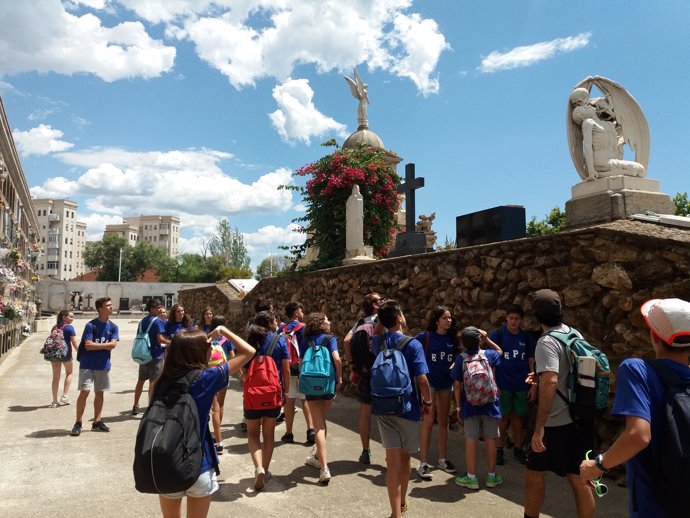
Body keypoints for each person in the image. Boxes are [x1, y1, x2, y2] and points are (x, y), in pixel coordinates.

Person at [580, 298, 690, 517]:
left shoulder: (637, 370)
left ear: (654, 337)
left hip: (656, 506)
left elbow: (638, 435)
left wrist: (597, 466)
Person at [158, 327, 255, 518]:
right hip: (198, 462)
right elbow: (248, 352)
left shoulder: (161, 381)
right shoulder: (206, 379)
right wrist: (224, 331)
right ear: (199, 352)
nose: (211, 348)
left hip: (167, 461)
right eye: (208, 346)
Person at [524, 289, 596, 518]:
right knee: (580, 479)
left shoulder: (546, 342)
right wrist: (542, 376)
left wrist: (539, 427)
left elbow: (552, 381)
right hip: (582, 418)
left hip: (557, 423)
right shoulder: (574, 334)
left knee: (534, 475)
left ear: (537, 315)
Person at [371, 300, 431, 518]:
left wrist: (381, 316)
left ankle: (395, 512)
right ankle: (403, 503)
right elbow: (422, 379)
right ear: (399, 318)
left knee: (392, 462)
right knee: (406, 460)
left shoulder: (379, 342)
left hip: (382, 406)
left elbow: (376, 331)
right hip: (408, 408)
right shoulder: (412, 344)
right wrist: (428, 402)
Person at [452, 326, 503, 490]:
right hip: (490, 403)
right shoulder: (488, 355)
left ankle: (471, 477)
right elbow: (500, 351)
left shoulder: (461, 359)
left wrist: (458, 408)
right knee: (490, 439)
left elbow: (457, 385)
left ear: (463, 344)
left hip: (469, 405)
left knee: (471, 439)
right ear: (478, 340)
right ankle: (492, 476)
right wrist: (487, 339)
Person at [244, 311, 290, 490]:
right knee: (269, 434)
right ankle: (266, 468)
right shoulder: (279, 340)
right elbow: (286, 370)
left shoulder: (250, 340)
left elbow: (243, 369)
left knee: (252, 434)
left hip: (253, 395)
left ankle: (258, 468)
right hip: (273, 394)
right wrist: (285, 392)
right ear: (271, 323)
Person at [415, 306, 460, 479]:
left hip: (446, 384)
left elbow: (458, 356)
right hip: (430, 384)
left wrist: (455, 363)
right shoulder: (425, 337)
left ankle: (442, 459)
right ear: (436, 320)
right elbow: (411, 350)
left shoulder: (453, 338)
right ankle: (423, 463)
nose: (448, 321)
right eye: (444, 318)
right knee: (428, 420)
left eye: (449, 318)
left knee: (444, 421)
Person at [490, 303, 536, 466]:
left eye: (517, 319)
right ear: (506, 319)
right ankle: (499, 449)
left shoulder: (526, 337)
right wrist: (494, 384)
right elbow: (492, 362)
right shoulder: (498, 335)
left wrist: (533, 384)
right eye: (511, 318)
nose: (514, 322)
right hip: (503, 383)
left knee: (518, 418)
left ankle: (518, 449)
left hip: (521, 384)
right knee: (502, 418)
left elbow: (531, 360)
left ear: (521, 320)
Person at [570, 87, 645, 180]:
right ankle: (603, 174)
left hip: (611, 161)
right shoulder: (588, 123)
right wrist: (591, 171)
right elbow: (587, 147)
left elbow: (617, 114)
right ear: (583, 117)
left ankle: (613, 174)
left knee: (640, 170)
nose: (588, 106)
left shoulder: (608, 124)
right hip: (599, 163)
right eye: (584, 109)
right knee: (636, 170)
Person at [302, 312, 342, 485]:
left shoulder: (306, 340)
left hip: (310, 384)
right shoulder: (330, 339)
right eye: (327, 319)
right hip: (327, 383)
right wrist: (339, 377)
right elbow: (337, 359)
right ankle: (323, 466)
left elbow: (301, 359)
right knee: (321, 424)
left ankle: (319, 459)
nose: (330, 321)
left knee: (319, 425)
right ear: (321, 323)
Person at [343, 292, 382, 464]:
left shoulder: (360, 323)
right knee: (386, 414)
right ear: (374, 305)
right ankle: (390, 452)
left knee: (365, 412)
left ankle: (366, 451)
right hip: (383, 372)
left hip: (366, 372)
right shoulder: (385, 318)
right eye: (379, 300)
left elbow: (346, 341)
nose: (382, 300)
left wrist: (352, 365)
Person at [71, 297, 119, 436]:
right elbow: (88, 345)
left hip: (103, 365)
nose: (111, 307)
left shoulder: (113, 327)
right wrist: (106, 346)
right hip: (87, 364)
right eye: (108, 305)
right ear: (100, 309)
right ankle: (78, 422)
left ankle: (97, 422)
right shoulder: (91, 325)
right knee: (84, 392)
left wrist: (99, 346)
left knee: (100, 393)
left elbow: (113, 345)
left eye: (111, 304)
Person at [277, 301, 315, 444]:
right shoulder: (305, 329)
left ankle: (289, 433)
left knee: (289, 399)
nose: (303, 313)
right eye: (300, 310)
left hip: (287, 369)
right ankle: (310, 429)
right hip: (302, 367)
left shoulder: (282, 329)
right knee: (305, 399)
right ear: (295, 313)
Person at [132, 299, 168, 416]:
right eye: (158, 308)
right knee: (154, 382)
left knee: (141, 381)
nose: (160, 310)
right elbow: (161, 339)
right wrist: (173, 342)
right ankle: (151, 407)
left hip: (144, 354)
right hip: (156, 355)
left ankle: (135, 405)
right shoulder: (157, 322)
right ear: (152, 309)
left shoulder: (142, 321)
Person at [208, 314, 235, 453]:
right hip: (223, 372)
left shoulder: (208, 337)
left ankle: (216, 436)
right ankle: (218, 432)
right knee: (221, 404)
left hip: (211, 373)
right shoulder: (227, 338)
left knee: (214, 408)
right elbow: (232, 356)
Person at [49, 310, 79, 407]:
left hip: (54, 354)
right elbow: (74, 342)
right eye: (70, 316)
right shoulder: (69, 328)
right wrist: (80, 352)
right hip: (66, 354)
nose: (72, 318)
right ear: (63, 317)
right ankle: (64, 395)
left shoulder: (54, 327)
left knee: (56, 377)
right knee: (69, 373)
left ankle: (54, 400)